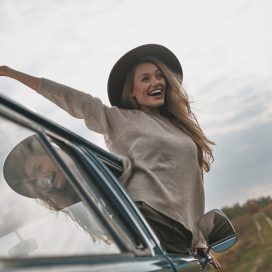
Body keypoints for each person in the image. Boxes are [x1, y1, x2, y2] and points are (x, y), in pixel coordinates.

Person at [0, 44, 215, 258]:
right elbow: (77, 102)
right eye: (145, 78)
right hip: (148, 225)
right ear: (132, 91)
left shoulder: (181, 129)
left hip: (179, 242)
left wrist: (199, 241)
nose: (156, 81)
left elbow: (192, 187)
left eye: (159, 76)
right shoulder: (121, 121)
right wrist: (12, 73)